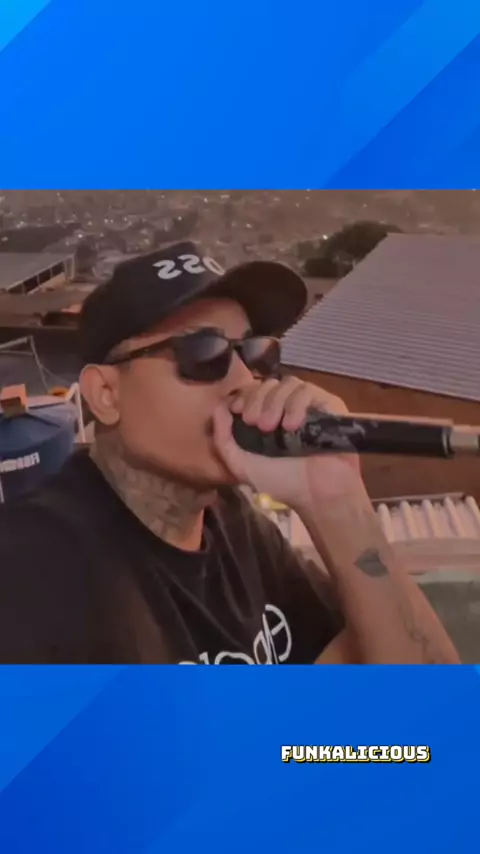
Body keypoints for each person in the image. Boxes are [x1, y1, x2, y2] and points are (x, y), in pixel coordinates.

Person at [0, 242, 459, 664]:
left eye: (252, 352)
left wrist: (337, 501)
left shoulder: (234, 522)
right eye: (203, 352)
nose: (245, 380)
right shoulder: (30, 573)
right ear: (105, 395)